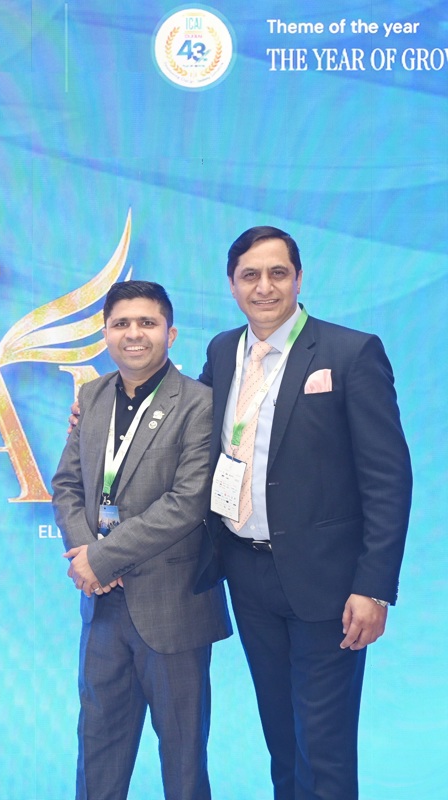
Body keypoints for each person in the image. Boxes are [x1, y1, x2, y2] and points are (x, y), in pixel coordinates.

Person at [195, 226, 412, 799]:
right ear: (232, 285)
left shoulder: (350, 352)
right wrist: (95, 413)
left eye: (278, 273)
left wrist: (374, 587)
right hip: (246, 573)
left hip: (328, 584)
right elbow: (184, 422)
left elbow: (388, 479)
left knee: (324, 747)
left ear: (298, 279)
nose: (264, 287)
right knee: (282, 740)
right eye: (250, 275)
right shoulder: (222, 351)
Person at [53, 280, 232, 800]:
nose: (134, 334)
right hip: (103, 609)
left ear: (170, 334)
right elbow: (66, 484)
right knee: (98, 750)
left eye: (147, 323)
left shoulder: (200, 403)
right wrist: (88, 554)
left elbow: (188, 502)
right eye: (121, 324)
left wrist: (102, 558)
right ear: (106, 333)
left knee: (183, 759)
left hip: (173, 608)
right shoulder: (91, 396)